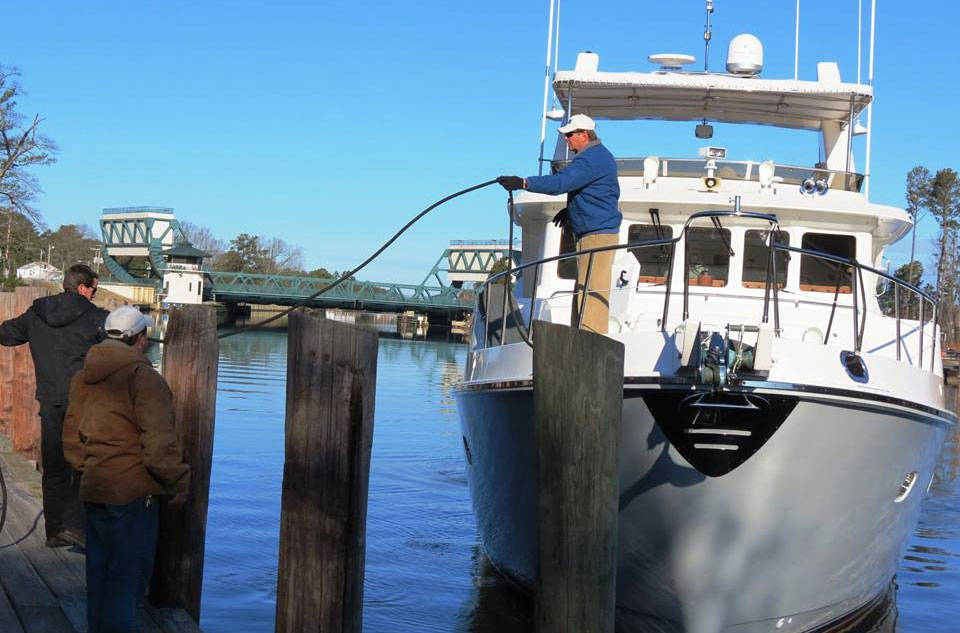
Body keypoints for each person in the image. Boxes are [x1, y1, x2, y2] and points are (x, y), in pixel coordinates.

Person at [63, 305, 190, 633]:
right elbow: (159, 440)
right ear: (140, 338)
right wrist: (176, 481)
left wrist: (86, 467)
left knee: (99, 570)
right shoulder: (145, 378)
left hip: (94, 484)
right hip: (133, 492)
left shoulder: (82, 376)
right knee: (126, 576)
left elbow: (71, 431)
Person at [0, 263, 109, 547]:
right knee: (83, 464)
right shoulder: (96, 317)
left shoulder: (38, 312)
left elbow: (7, 335)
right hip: (82, 401)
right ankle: (75, 527)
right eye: (94, 289)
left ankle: (55, 531)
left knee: (54, 466)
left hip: (49, 400)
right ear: (84, 287)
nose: (95, 295)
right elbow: (118, 347)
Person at [498, 113, 622, 334]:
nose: (567, 139)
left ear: (583, 135)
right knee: (583, 287)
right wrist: (571, 209)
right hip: (593, 232)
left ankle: (591, 338)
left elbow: (560, 183)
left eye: (570, 135)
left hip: (597, 235)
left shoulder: (591, 158)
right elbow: (594, 191)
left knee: (592, 289)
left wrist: (523, 183)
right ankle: (580, 334)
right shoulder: (597, 157)